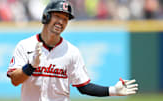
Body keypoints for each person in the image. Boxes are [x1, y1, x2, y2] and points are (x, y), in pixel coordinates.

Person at [7, 0, 138, 101]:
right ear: (46, 17)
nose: (61, 21)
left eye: (65, 19)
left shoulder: (72, 52)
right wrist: (31, 66)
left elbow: (84, 87)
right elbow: (15, 80)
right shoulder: (25, 45)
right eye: (57, 16)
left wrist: (113, 90)